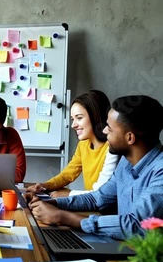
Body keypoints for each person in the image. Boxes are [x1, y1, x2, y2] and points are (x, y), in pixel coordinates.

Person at [27, 95, 163, 240]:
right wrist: (50, 202)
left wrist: (64, 217)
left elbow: (136, 225)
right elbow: (98, 198)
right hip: (127, 246)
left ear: (130, 138)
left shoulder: (159, 171)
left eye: (109, 129)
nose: (104, 131)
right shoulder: (125, 163)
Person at [27, 90, 119, 197]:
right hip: (90, 202)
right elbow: (67, 175)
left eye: (79, 118)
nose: (73, 125)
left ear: (95, 116)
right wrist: (45, 185)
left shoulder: (112, 148)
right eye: (72, 119)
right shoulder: (83, 145)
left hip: (104, 207)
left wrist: (68, 194)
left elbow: (101, 193)